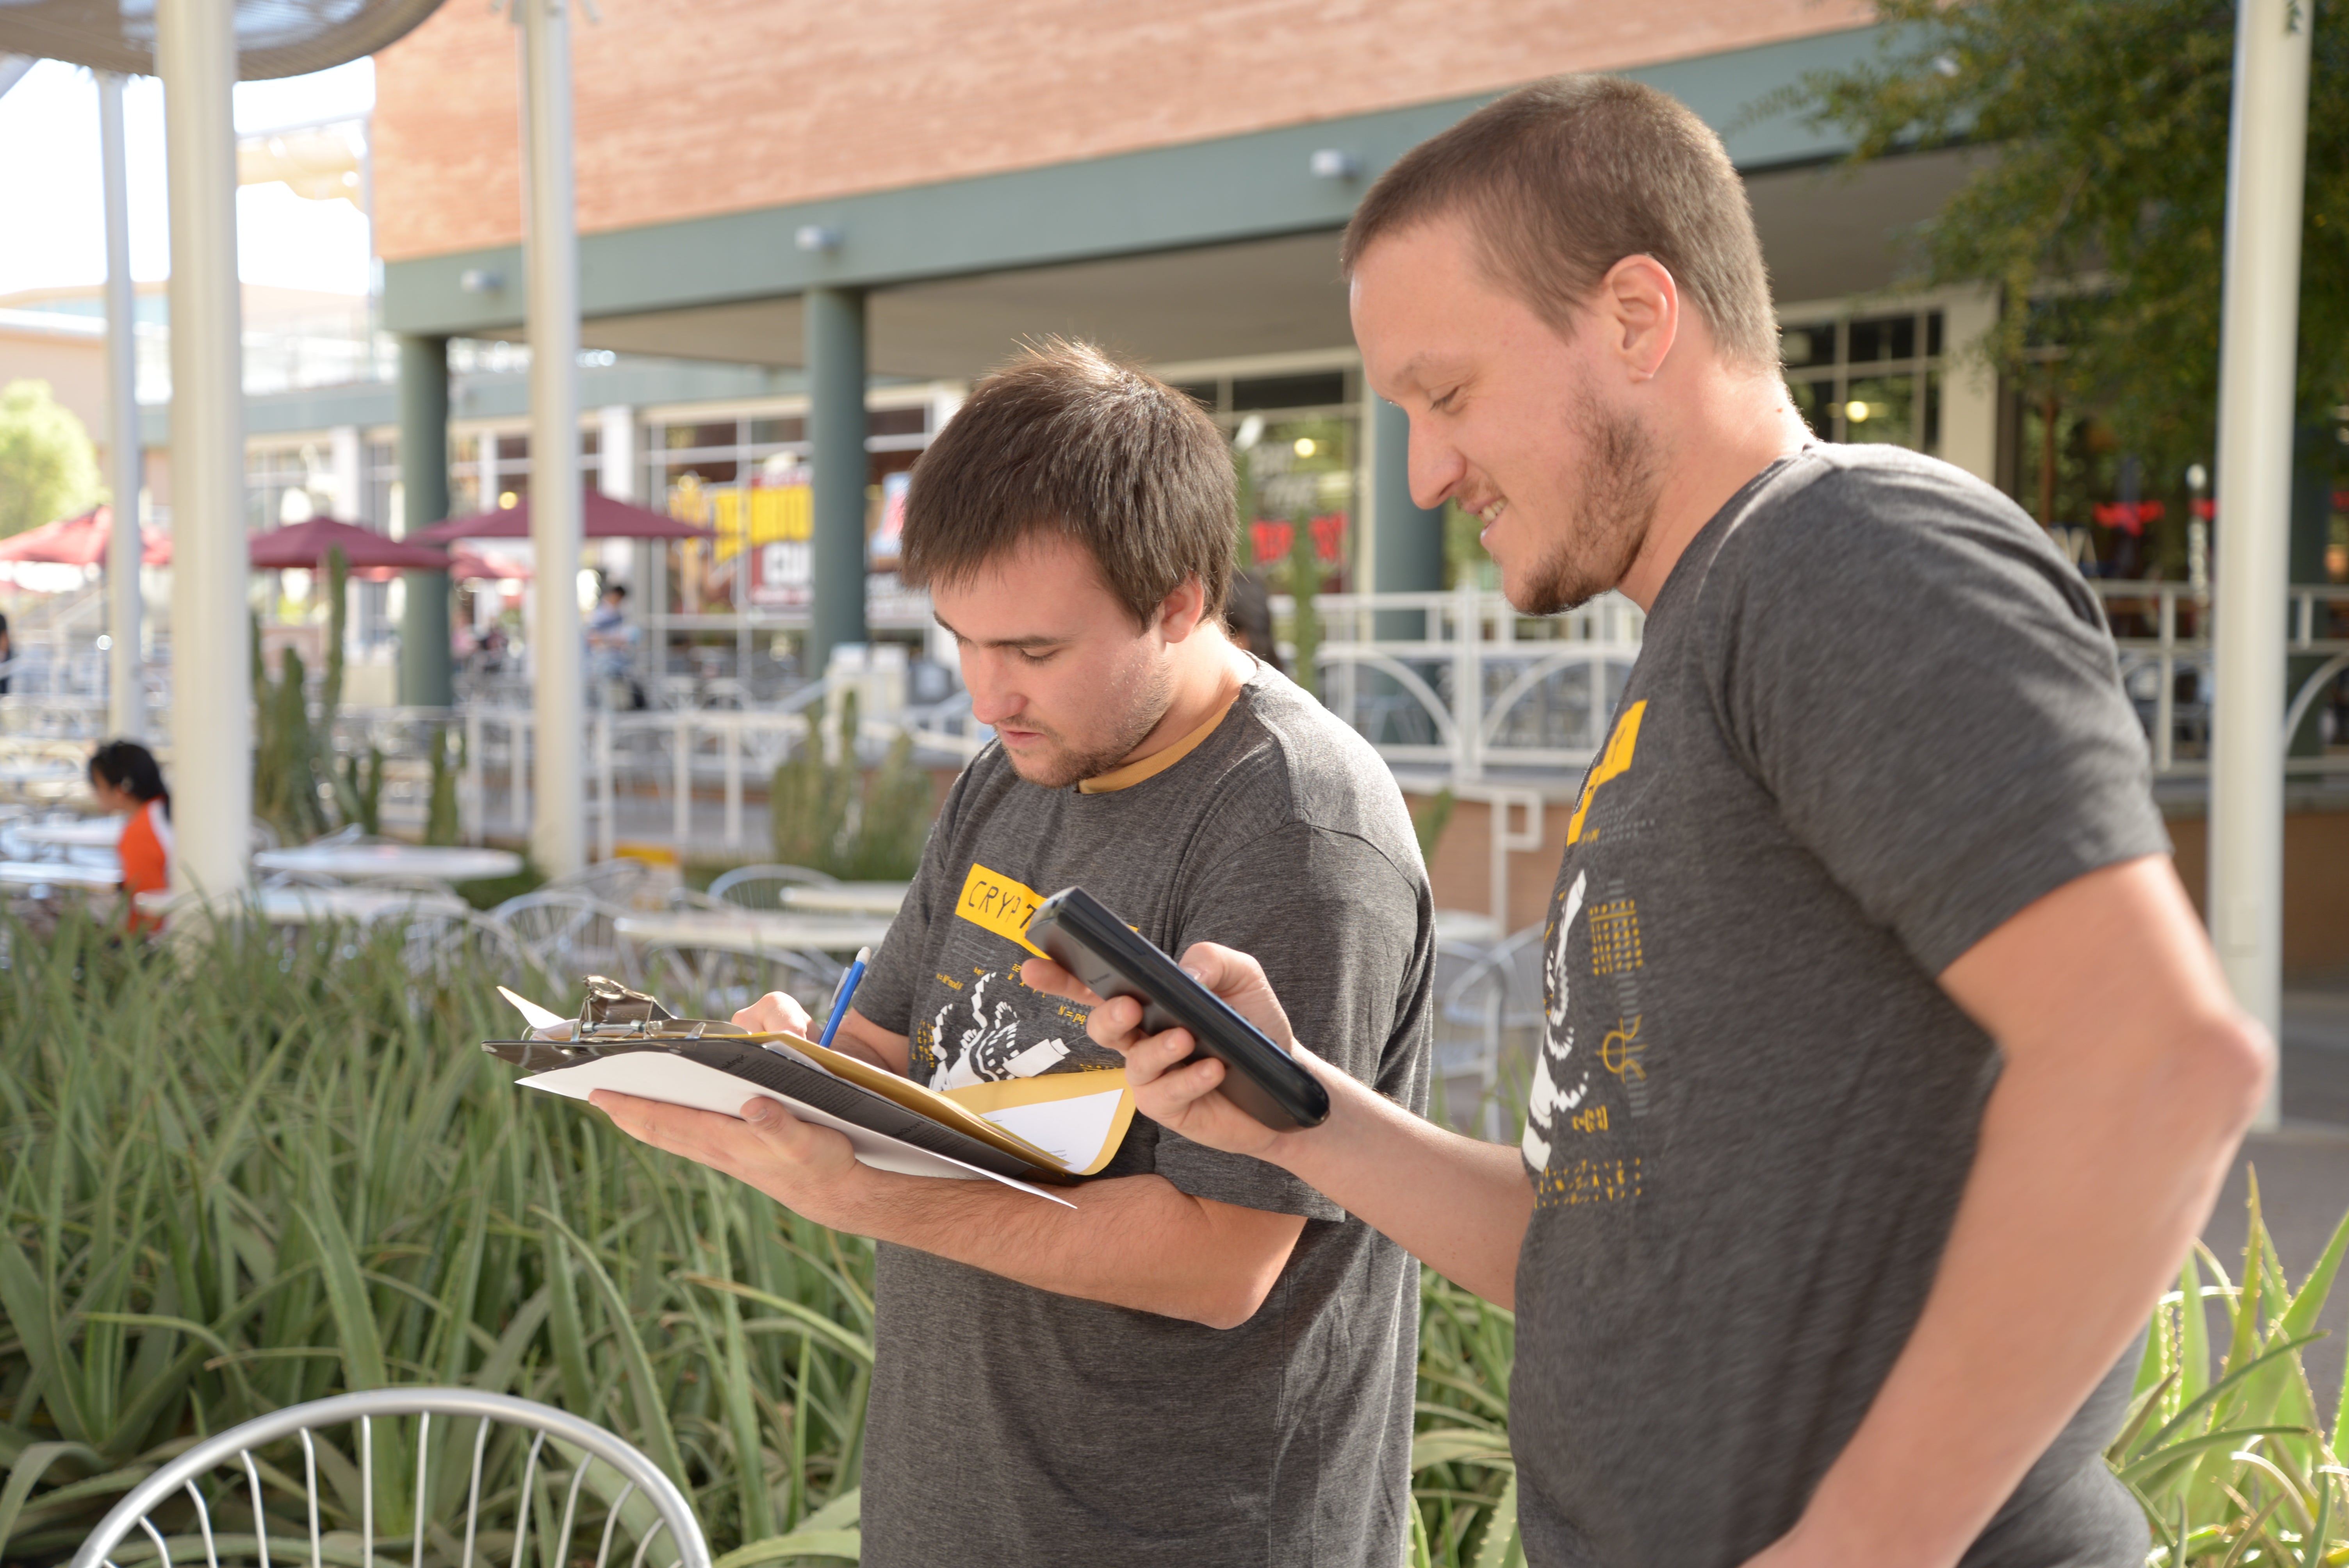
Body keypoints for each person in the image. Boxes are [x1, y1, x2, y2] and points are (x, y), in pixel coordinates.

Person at [1033, 77, 2273, 1568]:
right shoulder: (1691, 651)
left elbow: (2152, 1064)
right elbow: (1597, 1244)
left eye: (1445, 395)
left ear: (1634, 316)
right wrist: (1289, 1107)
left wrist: (1858, 1549)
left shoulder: (1842, 555)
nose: (1424, 472)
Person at [590, 342, 1435, 1567]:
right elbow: (884, 1051)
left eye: (1033, 652)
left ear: (1182, 600)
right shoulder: (1009, 772)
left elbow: (1221, 1256)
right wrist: (783, 1076)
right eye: (961, 642)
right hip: (951, 1510)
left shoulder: (1297, 828)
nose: (987, 697)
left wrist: (868, 1195)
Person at [87, 738, 171, 934]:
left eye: (97, 785)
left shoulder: (141, 831)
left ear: (120, 791)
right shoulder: (163, 811)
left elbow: (148, 908)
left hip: (164, 942)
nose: (94, 794)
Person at [586, 581, 644, 707]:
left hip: (617, 657)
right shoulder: (601, 614)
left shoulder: (619, 614)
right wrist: (613, 641)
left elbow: (630, 636)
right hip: (602, 658)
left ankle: (623, 705)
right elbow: (593, 638)